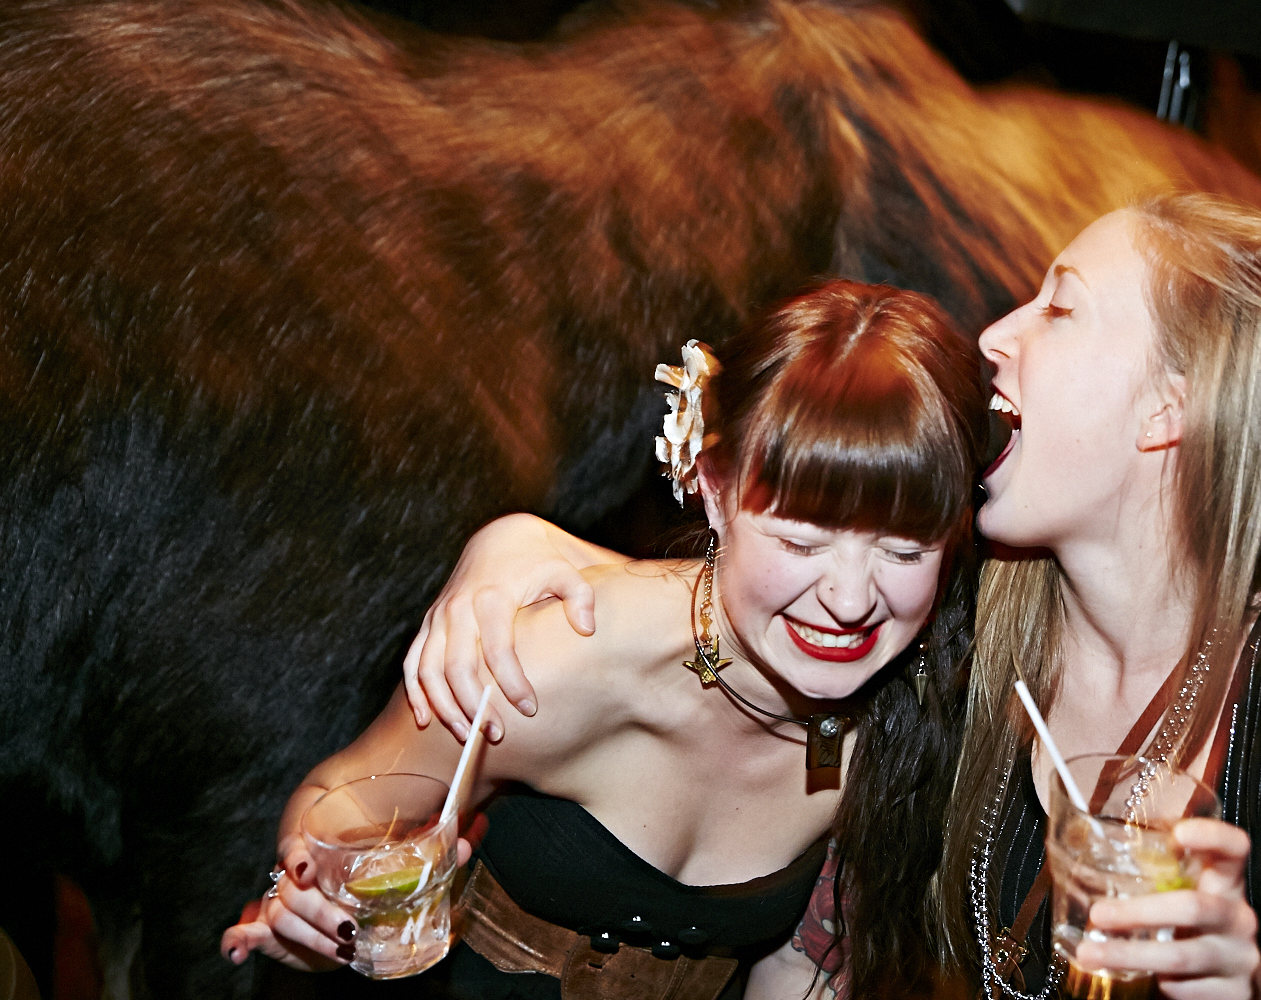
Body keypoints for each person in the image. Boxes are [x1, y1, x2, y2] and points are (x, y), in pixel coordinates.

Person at [405, 194, 1261, 999]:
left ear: (1166, 411)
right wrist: (520, 549)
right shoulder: (968, 633)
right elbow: (770, 592)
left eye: (1059, 306)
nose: (997, 336)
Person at [219, 279, 989, 999]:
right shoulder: (552, 665)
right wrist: (317, 904)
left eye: (903, 550)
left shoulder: (910, 719)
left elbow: (804, 961)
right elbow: (342, 800)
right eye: (802, 540)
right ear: (714, 491)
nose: (851, 601)